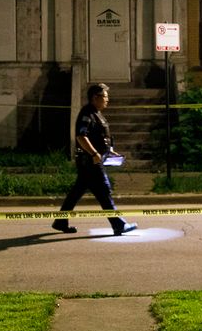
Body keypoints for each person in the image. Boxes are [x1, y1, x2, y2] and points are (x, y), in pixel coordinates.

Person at [52, 83, 138, 236]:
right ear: (94, 98)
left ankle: (60, 221)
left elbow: (103, 137)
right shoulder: (87, 114)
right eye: (104, 96)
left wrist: (110, 151)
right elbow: (81, 136)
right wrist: (94, 154)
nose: (107, 99)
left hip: (94, 160)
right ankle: (118, 224)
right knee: (104, 190)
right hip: (90, 161)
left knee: (77, 192)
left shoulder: (97, 114)